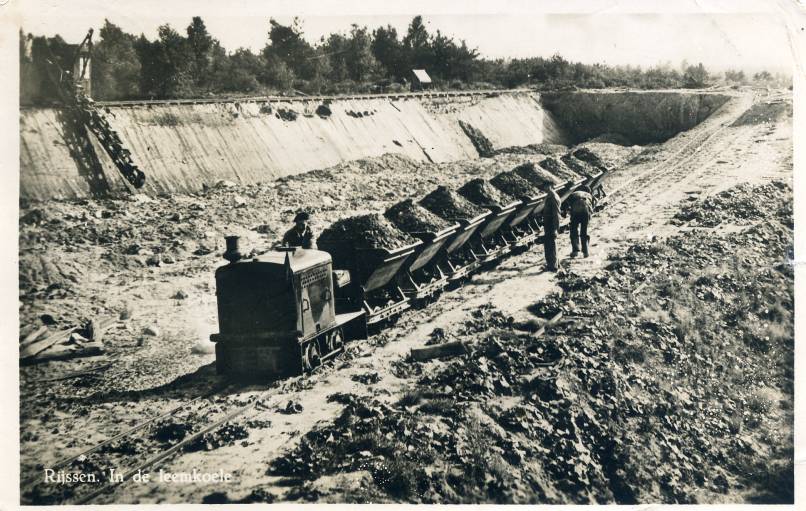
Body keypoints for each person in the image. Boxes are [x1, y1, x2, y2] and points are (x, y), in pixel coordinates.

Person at [562, 185, 596, 258]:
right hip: (586, 211)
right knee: (584, 231)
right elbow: (593, 205)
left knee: (574, 229)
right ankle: (586, 252)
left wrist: (566, 213)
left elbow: (567, 205)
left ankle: (576, 251)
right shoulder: (589, 195)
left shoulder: (573, 194)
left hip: (576, 210)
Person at [541, 182, 562, 272]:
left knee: (551, 245)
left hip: (551, 224)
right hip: (549, 224)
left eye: (547, 186)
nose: (545, 188)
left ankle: (552, 266)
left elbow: (556, 214)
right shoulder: (550, 196)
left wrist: (555, 228)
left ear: (551, 186)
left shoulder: (553, 197)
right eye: (544, 186)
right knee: (550, 244)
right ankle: (555, 264)